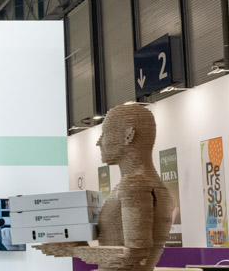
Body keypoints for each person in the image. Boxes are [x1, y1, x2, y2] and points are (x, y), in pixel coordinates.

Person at [38, 104, 173, 271]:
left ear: (129, 135)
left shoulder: (134, 185)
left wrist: (73, 251)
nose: (99, 142)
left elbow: (135, 255)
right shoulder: (157, 187)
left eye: (106, 133)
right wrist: (79, 245)